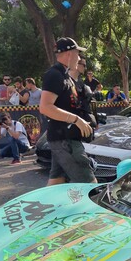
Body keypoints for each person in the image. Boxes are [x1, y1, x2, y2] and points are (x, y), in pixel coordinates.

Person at [39, 37, 97, 184]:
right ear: (69, 54)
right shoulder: (54, 75)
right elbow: (45, 107)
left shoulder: (65, 76)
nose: (79, 58)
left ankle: (47, 206)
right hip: (65, 140)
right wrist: (77, 120)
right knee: (89, 185)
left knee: (57, 181)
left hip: (63, 139)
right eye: (77, 54)